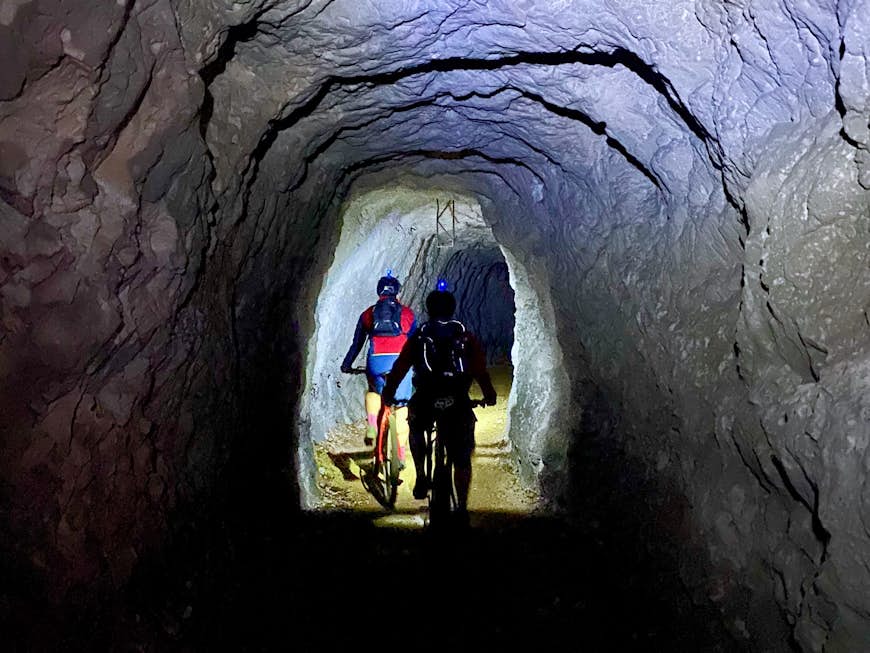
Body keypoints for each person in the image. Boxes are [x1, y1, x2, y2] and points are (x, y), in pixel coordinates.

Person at [380, 284, 497, 525]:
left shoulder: (419, 337)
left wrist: (389, 393)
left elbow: (401, 367)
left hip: (426, 395)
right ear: (452, 309)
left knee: (416, 426)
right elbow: (479, 369)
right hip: (457, 397)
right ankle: (462, 506)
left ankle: (421, 475)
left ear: (429, 309)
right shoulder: (465, 337)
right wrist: (489, 394)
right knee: (462, 455)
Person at [340, 273, 416, 469]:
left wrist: (347, 365)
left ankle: (373, 424)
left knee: (374, 391)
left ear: (378, 291)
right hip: (401, 361)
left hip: (377, 361)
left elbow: (357, 344)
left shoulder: (368, 314)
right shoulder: (407, 314)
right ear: (397, 292)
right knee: (402, 408)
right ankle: (400, 454)